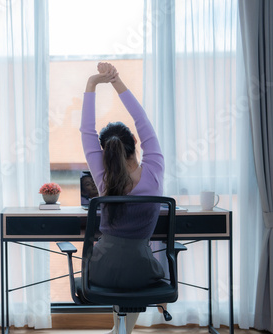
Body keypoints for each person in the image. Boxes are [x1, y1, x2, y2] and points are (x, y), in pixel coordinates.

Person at [80, 62, 165, 334]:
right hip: (142, 272)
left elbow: (86, 132)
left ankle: (118, 331)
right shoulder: (154, 171)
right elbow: (143, 121)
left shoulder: (103, 178)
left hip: (102, 271)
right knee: (137, 267)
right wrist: (116, 81)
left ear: (104, 153)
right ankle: (121, 331)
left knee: (117, 263)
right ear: (136, 144)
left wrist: (92, 83)